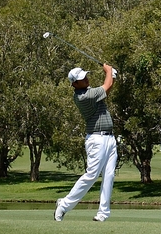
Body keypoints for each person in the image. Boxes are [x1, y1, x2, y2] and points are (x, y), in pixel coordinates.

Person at [55, 64, 118, 222]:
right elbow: (107, 86)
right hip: (97, 139)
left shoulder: (90, 92)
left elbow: (108, 87)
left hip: (109, 138)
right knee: (91, 175)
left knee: (109, 176)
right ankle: (64, 205)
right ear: (75, 84)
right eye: (82, 79)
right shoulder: (83, 97)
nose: (86, 79)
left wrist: (112, 76)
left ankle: (103, 213)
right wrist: (109, 71)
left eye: (85, 76)